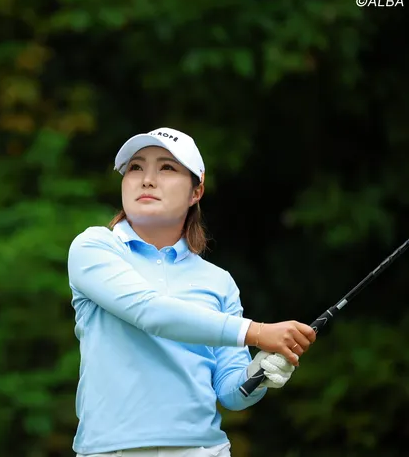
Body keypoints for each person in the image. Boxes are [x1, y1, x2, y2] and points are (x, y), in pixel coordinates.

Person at [66, 127, 317, 457]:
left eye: (167, 168)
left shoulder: (218, 281)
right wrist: (258, 333)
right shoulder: (93, 247)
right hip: (109, 451)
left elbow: (230, 393)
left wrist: (260, 372)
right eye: (136, 167)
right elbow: (151, 312)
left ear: (196, 191)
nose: (147, 180)